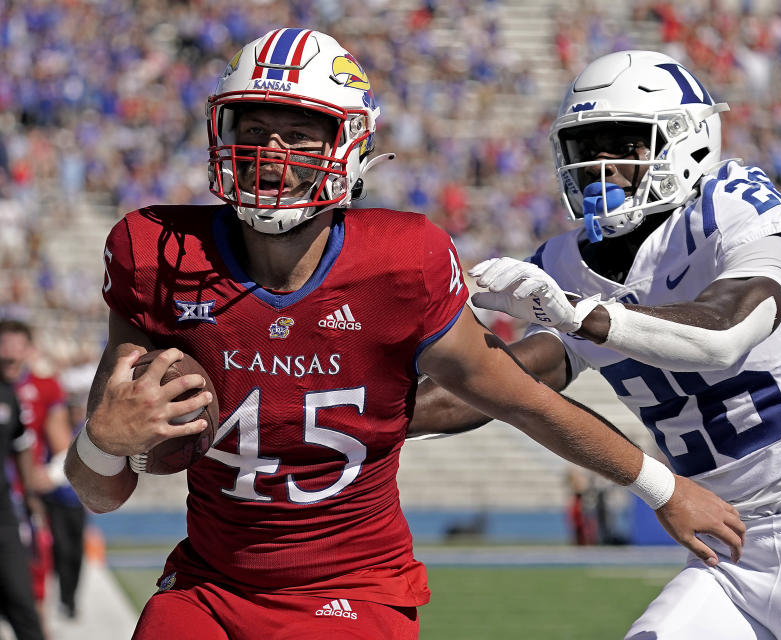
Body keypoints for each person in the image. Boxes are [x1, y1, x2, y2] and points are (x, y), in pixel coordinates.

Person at [62, 31, 744, 640]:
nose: (270, 152)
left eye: (299, 134)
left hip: (349, 592)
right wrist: (103, 439)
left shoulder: (400, 261)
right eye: (254, 126)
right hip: (210, 585)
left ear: (349, 145)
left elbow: (520, 398)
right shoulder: (157, 252)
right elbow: (101, 490)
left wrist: (664, 489)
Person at [409, 51, 781, 639]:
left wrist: (584, 316)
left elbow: (726, 332)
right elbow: (499, 381)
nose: (601, 166)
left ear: (686, 141)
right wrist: (356, 408)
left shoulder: (732, 206)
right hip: (721, 550)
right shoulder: (569, 263)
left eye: (623, 143)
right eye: (587, 146)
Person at [0, 319, 76, 627]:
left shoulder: (44, 387)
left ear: (30, 350)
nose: (10, 354)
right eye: (4, 345)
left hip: (22, 505)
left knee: (29, 601)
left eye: (18, 347)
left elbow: (62, 447)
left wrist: (47, 477)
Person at [0, 378, 45, 640]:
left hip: (3, 517)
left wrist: (30, 495)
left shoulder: (6, 394)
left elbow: (21, 444)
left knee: (22, 602)